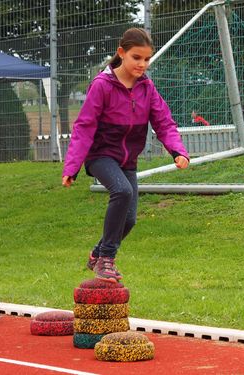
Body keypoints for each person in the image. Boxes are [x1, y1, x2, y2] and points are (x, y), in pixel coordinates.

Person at [62, 28, 189, 283]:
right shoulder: (102, 85)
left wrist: (177, 151)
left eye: (146, 59)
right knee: (122, 191)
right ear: (121, 53)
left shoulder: (147, 88)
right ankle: (106, 260)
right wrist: (72, 167)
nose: (142, 64)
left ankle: (97, 253)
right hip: (101, 156)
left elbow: (164, 122)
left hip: (127, 160)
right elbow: (84, 126)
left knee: (129, 220)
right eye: (136, 57)